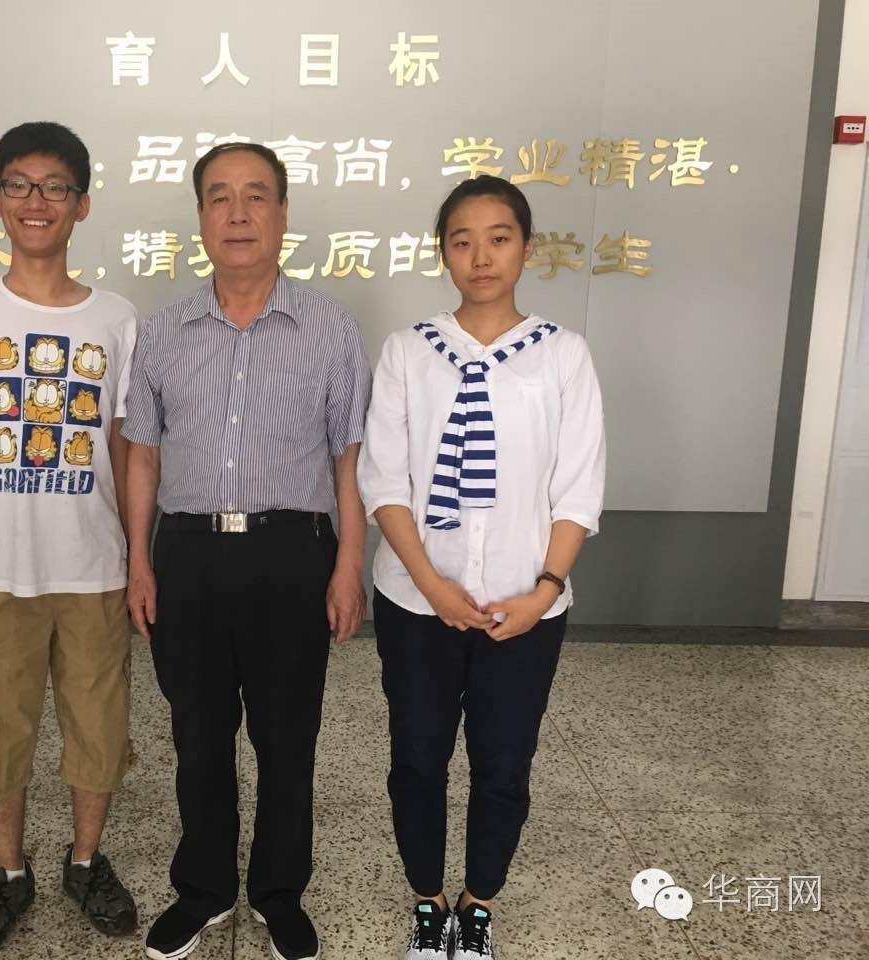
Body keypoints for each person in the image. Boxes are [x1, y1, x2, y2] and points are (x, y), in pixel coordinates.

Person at [123, 142, 372, 960]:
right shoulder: (163, 330)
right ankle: (202, 890)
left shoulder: (330, 327)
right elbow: (143, 456)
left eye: (256, 196)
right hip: (188, 556)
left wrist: (348, 565)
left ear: (283, 213)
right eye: (220, 197)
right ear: (200, 216)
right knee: (198, 736)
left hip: (292, 555)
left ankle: (278, 892)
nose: (238, 214)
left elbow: (349, 459)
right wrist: (138, 562)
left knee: (287, 737)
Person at [357, 175, 605, 960]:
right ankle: (428, 901)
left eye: (499, 238)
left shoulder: (563, 354)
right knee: (416, 760)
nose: (481, 256)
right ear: (444, 254)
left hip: (523, 610)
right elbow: (384, 482)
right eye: (461, 241)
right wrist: (432, 586)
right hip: (416, 604)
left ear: (526, 248)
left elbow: (578, 487)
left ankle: (479, 903)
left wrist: (544, 590)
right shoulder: (409, 351)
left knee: (503, 764)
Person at [0, 120, 139, 958]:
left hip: (94, 564)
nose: (35, 201)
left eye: (54, 186)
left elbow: (127, 448)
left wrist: (139, 557)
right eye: (18, 184)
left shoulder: (117, 318)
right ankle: (10, 874)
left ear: (82, 203)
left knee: (98, 727)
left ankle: (85, 861)